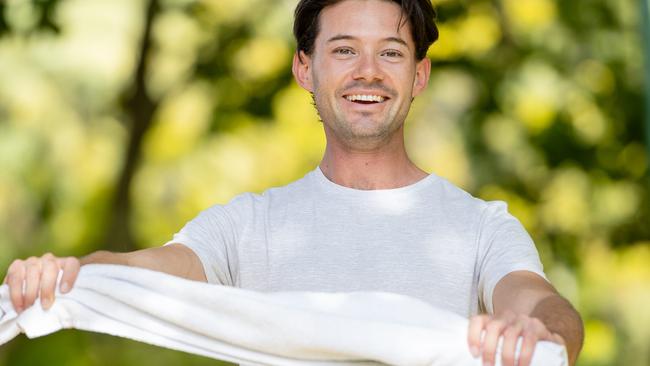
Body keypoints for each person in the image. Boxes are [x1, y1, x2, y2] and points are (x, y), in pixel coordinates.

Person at [2, 0, 584, 365]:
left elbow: (542, 304)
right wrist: (70, 272)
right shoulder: (247, 225)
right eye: (344, 50)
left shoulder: (480, 227)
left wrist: (537, 329)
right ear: (305, 67)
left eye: (390, 52)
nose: (368, 72)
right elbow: (149, 269)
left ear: (419, 74)